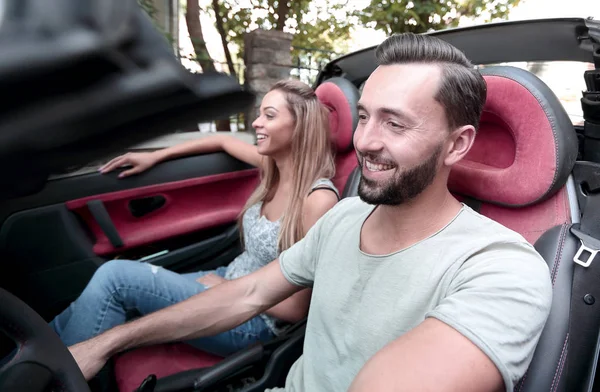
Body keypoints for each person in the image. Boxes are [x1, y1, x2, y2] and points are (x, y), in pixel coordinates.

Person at [68, 33, 553, 392]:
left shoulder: (502, 267)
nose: (364, 141)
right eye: (363, 116)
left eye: (395, 123)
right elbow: (249, 292)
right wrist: (107, 342)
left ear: (457, 144)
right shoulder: (345, 217)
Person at [49, 79, 340, 357]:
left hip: (253, 321)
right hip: (229, 280)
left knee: (115, 279)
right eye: (259, 113)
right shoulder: (272, 166)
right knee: (105, 288)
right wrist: (156, 156)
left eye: (269, 115)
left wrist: (225, 287)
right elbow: (222, 141)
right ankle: (33, 358)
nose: (256, 123)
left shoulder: (318, 201)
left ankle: (57, 374)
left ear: (299, 127)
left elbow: (296, 309)